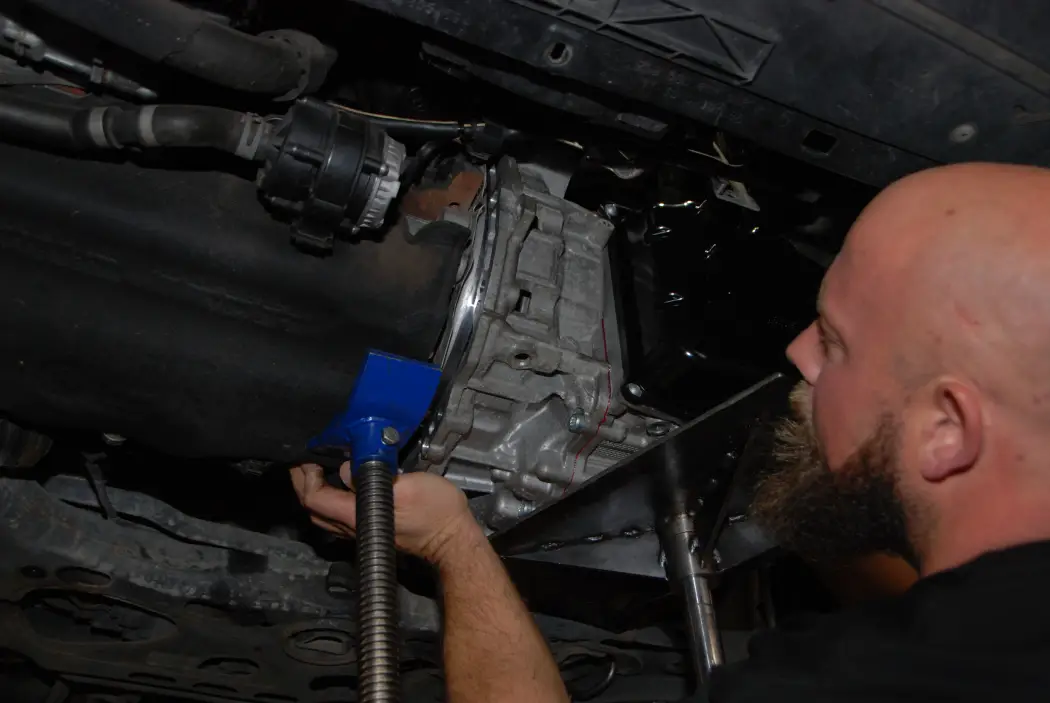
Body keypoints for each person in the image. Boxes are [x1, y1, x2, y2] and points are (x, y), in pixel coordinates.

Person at [292, 162, 1050, 702]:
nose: (797, 355)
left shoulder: (870, 682)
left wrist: (454, 546)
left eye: (836, 342)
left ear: (947, 429)